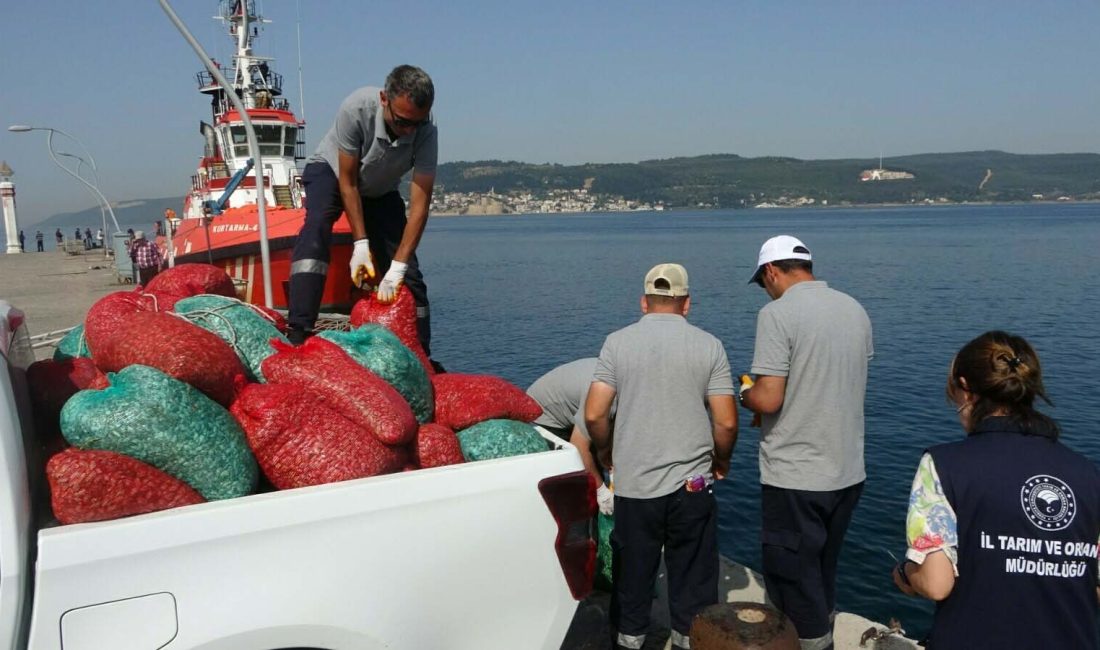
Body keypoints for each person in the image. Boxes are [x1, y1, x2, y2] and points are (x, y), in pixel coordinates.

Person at [892, 331, 1100, 649]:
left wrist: (907, 574)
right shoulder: (1088, 475)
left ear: (966, 389)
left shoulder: (942, 465)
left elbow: (937, 584)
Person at [585, 263, 738, 650]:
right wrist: (722, 460)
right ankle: (688, 640)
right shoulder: (709, 346)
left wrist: (605, 451)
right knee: (693, 575)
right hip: (693, 485)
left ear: (643, 302)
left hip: (636, 485)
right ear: (686, 304)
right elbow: (726, 422)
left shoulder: (617, 343)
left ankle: (629, 641)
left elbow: (594, 413)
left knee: (633, 574)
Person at [739, 235, 873, 650]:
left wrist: (745, 394)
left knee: (791, 578)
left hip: (797, 474)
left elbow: (769, 397)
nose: (767, 290)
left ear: (771, 272)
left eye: (764, 283)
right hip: (847, 471)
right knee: (821, 571)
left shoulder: (777, 314)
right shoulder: (855, 310)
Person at [287, 65, 438, 356]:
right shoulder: (356, 108)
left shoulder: (426, 131)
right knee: (317, 227)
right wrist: (360, 245)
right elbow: (348, 182)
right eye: (403, 121)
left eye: (417, 124)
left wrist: (397, 268)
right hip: (333, 172)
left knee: (412, 275)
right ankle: (298, 330)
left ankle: (423, 355)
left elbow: (420, 205)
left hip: (380, 189)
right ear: (384, 99)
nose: (409, 132)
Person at [527, 358, 615, 515]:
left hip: (575, 407)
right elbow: (579, 446)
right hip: (543, 415)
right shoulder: (606, 395)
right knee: (581, 483)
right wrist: (602, 492)